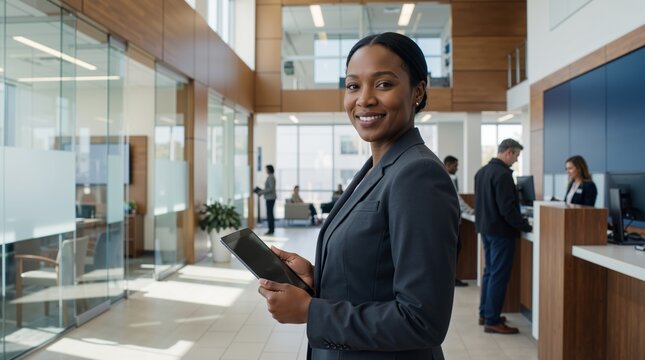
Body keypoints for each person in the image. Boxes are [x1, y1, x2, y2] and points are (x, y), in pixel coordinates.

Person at [258, 32, 460, 360]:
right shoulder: (375, 167)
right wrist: (316, 279)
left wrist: (312, 312)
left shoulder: (418, 175)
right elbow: (375, 273)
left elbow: (423, 320)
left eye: (383, 84)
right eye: (353, 85)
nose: (364, 99)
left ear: (418, 91)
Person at [475, 139, 532, 334]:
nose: (516, 160)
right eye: (516, 155)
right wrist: (524, 225)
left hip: (486, 229)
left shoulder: (482, 172)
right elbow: (507, 209)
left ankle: (485, 313)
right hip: (501, 232)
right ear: (508, 152)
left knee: (490, 272)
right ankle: (492, 320)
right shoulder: (503, 175)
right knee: (498, 275)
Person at [443, 155, 473, 288]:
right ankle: (451, 279)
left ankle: (451, 278)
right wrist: (471, 211)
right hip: (449, 221)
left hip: (449, 220)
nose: (457, 168)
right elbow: (457, 200)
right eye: (455, 165)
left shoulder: (448, 178)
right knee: (454, 249)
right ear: (448, 165)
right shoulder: (447, 178)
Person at [257, 165, 276, 235]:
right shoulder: (271, 176)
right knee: (270, 213)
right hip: (270, 197)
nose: (266, 170)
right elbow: (269, 188)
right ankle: (271, 229)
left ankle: (271, 230)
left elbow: (271, 188)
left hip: (270, 198)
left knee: (269, 214)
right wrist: (262, 191)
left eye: (266, 169)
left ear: (269, 169)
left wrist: (262, 192)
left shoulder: (271, 177)